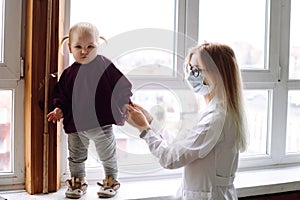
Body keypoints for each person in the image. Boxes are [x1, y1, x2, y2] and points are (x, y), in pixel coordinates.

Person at [126, 43, 248, 200]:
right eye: (189, 68)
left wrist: (144, 129)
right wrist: (151, 123)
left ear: (218, 74)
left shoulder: (215, 119)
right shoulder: (220, 112)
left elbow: (170, 159)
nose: (191, 75)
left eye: (197, 70)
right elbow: (182, 148)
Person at [47, 22, 132, 199]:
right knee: (76, 157)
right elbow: (61, 95)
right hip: (76, 126)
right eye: (79, 47)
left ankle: (111, 180)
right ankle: (78, 180)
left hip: (101, 123)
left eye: (90, 46)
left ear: (97, 45)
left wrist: (124, 102)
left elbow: (121, 84)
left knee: (107, 155)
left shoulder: (104, 65)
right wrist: (58, 109)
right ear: (70, 48)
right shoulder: (69, 73)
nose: (84, 51)